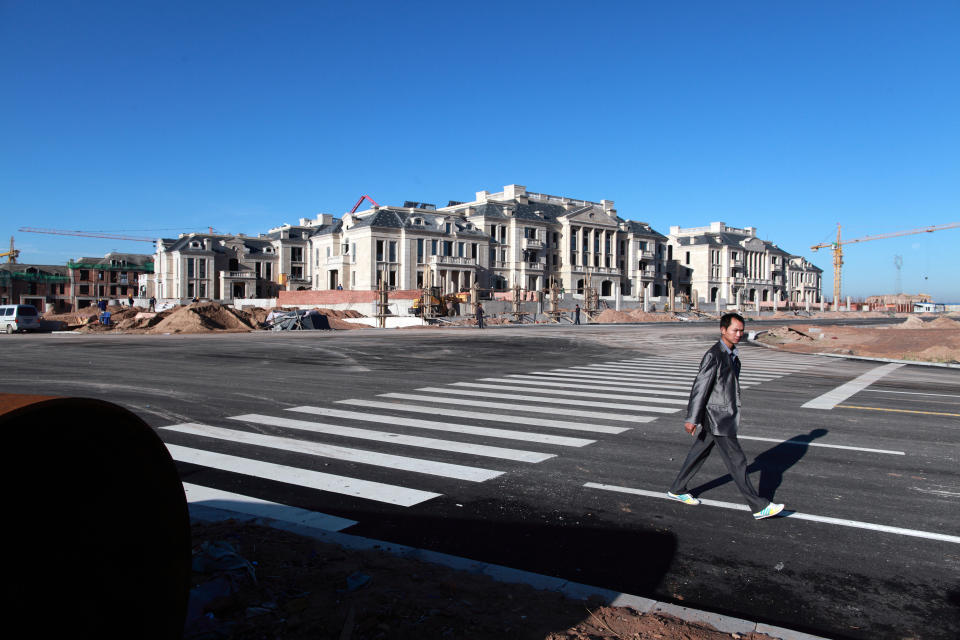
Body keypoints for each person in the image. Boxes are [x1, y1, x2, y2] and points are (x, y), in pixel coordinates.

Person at [667, 312, 785, 520]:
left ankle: (677, 489)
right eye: (735, 330)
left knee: (699, 453)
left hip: (721, 414)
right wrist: (692, 418)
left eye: (741, 330)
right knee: (737, 460)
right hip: (718, 417)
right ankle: (759, 506)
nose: (739, 334)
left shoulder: (731, 353)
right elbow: (700, 387)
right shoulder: (715, 354)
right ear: (723, 330)